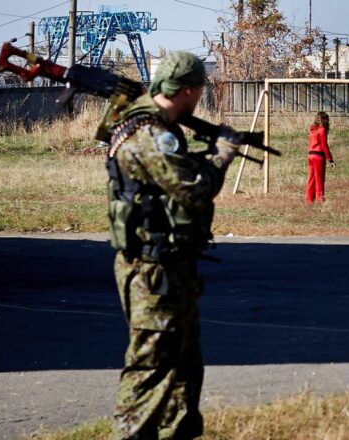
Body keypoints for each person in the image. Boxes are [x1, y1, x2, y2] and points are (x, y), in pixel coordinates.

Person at [105, 51, 243, 439]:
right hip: (152, 272)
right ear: (188, 90)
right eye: (199, 90)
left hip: (169, 265)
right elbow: (193, 191)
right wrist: (221, 156)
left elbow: (168, 180)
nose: (199, 97)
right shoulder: (151, 134)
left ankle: (176, 432)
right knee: (151, 365)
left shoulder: (152, 125)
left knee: (183, 364)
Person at [306, 111, 335, 204]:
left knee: (311, 178)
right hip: (319, 156)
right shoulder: (322, 130)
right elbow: (324, 145)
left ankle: (309, 199)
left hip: (310, 155)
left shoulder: (312, 129)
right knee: (319, 178)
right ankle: (320, 199)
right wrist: (330, 159)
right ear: (324, 120)